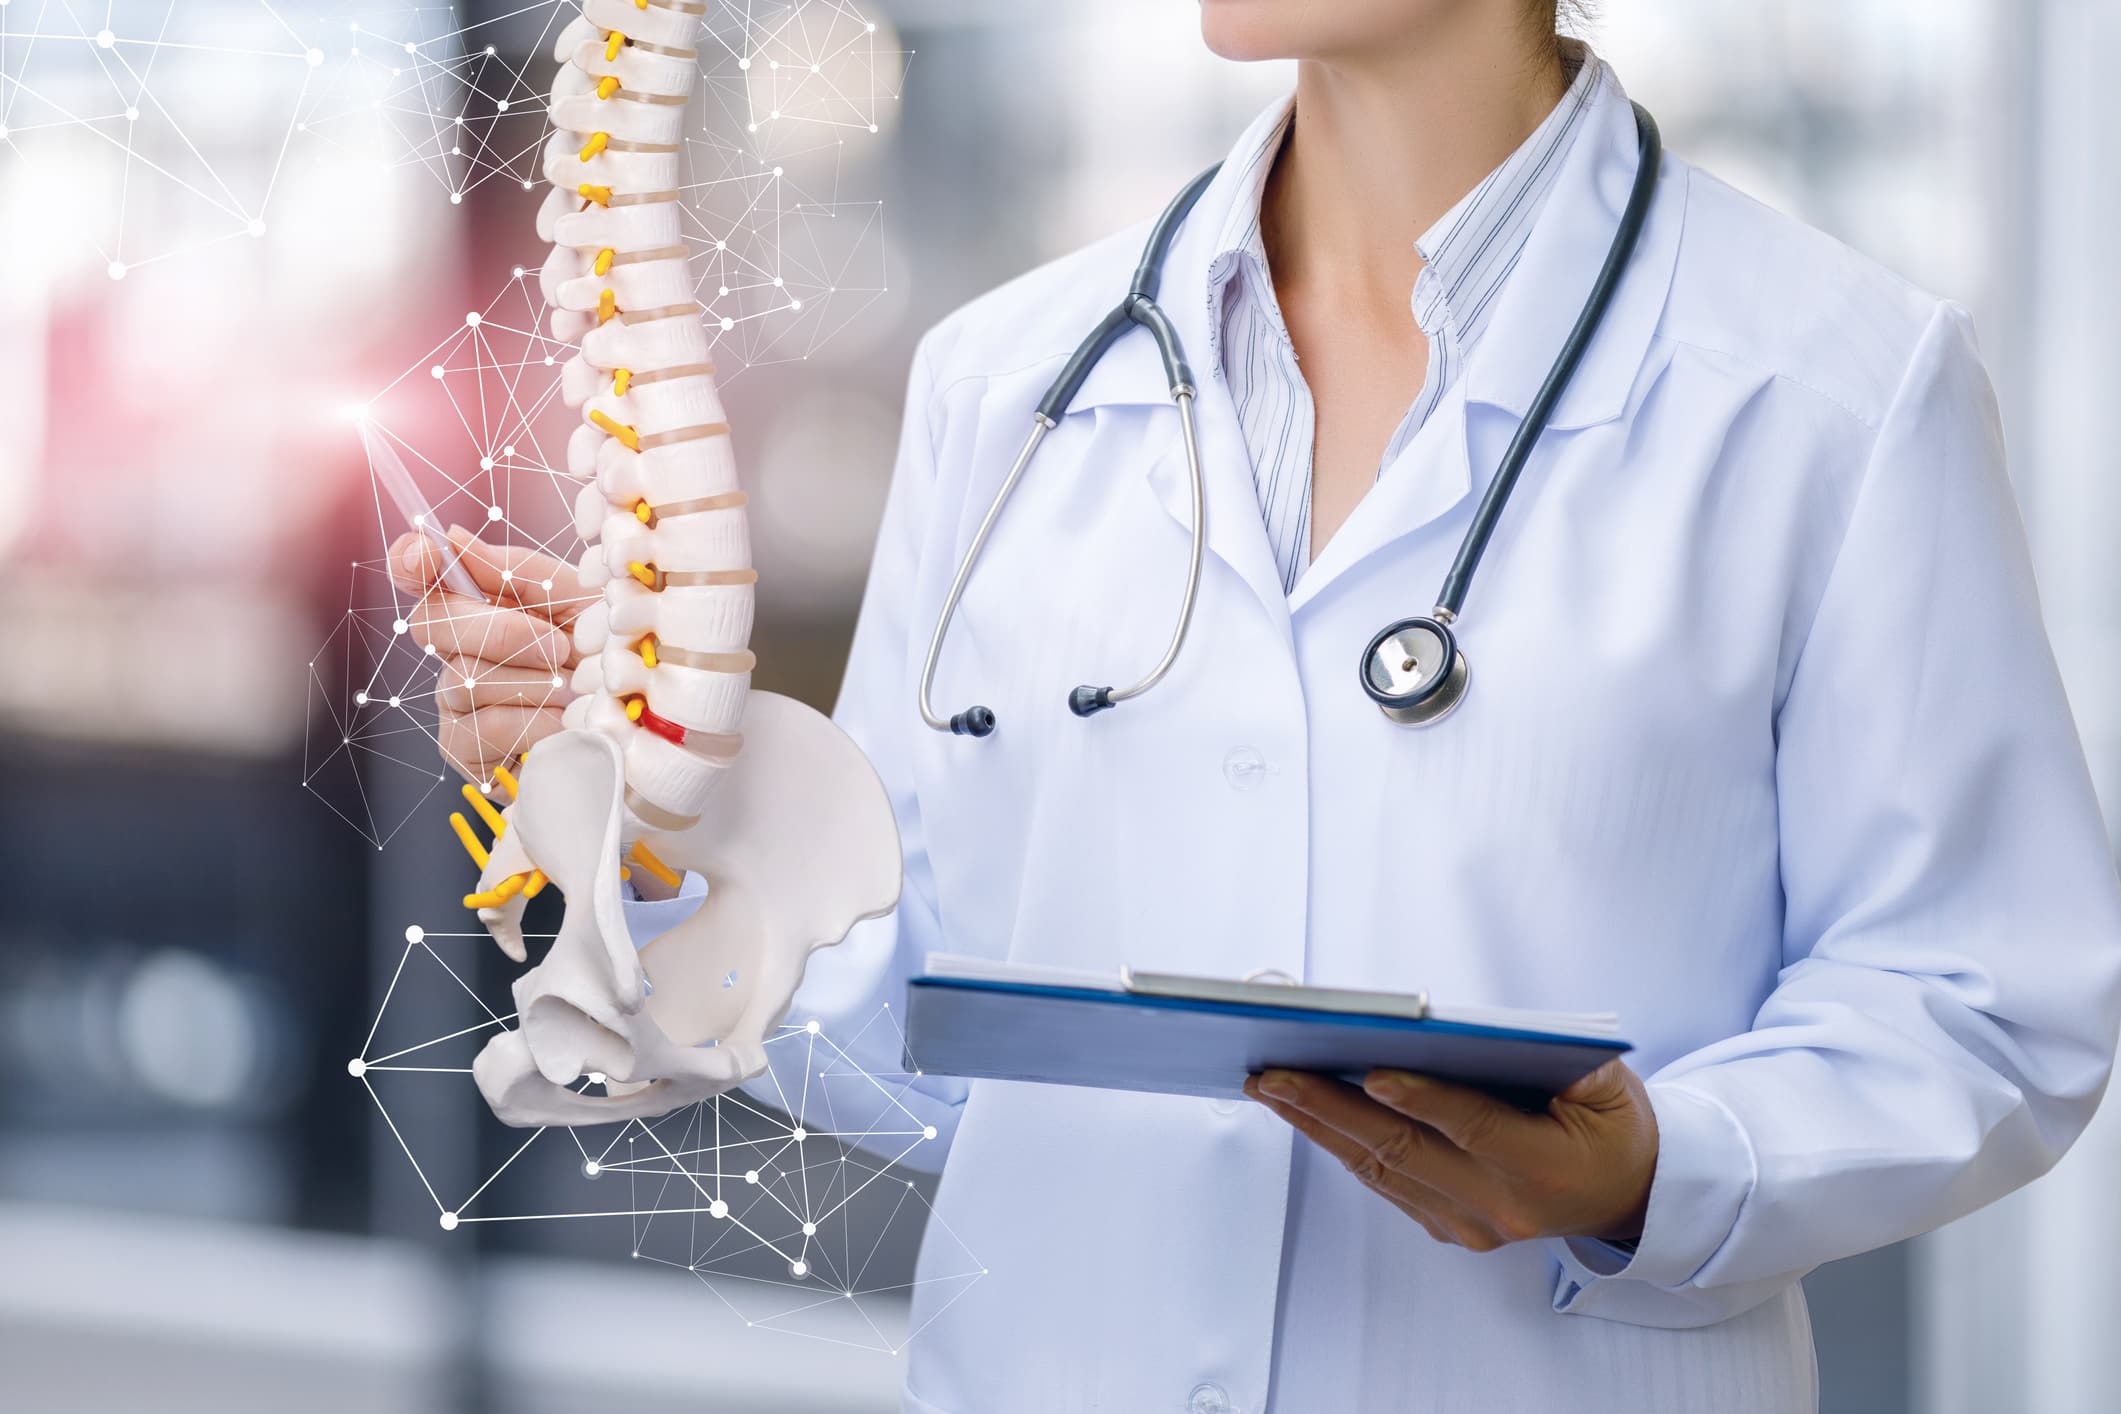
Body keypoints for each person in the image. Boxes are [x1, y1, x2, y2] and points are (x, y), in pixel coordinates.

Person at [394, 1, 2121, 1409]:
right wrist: (651, 811)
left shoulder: (1827, 392)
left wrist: (1655, 1167)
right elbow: (918, 1029)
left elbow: (1984, 999)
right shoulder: (1008, 388)